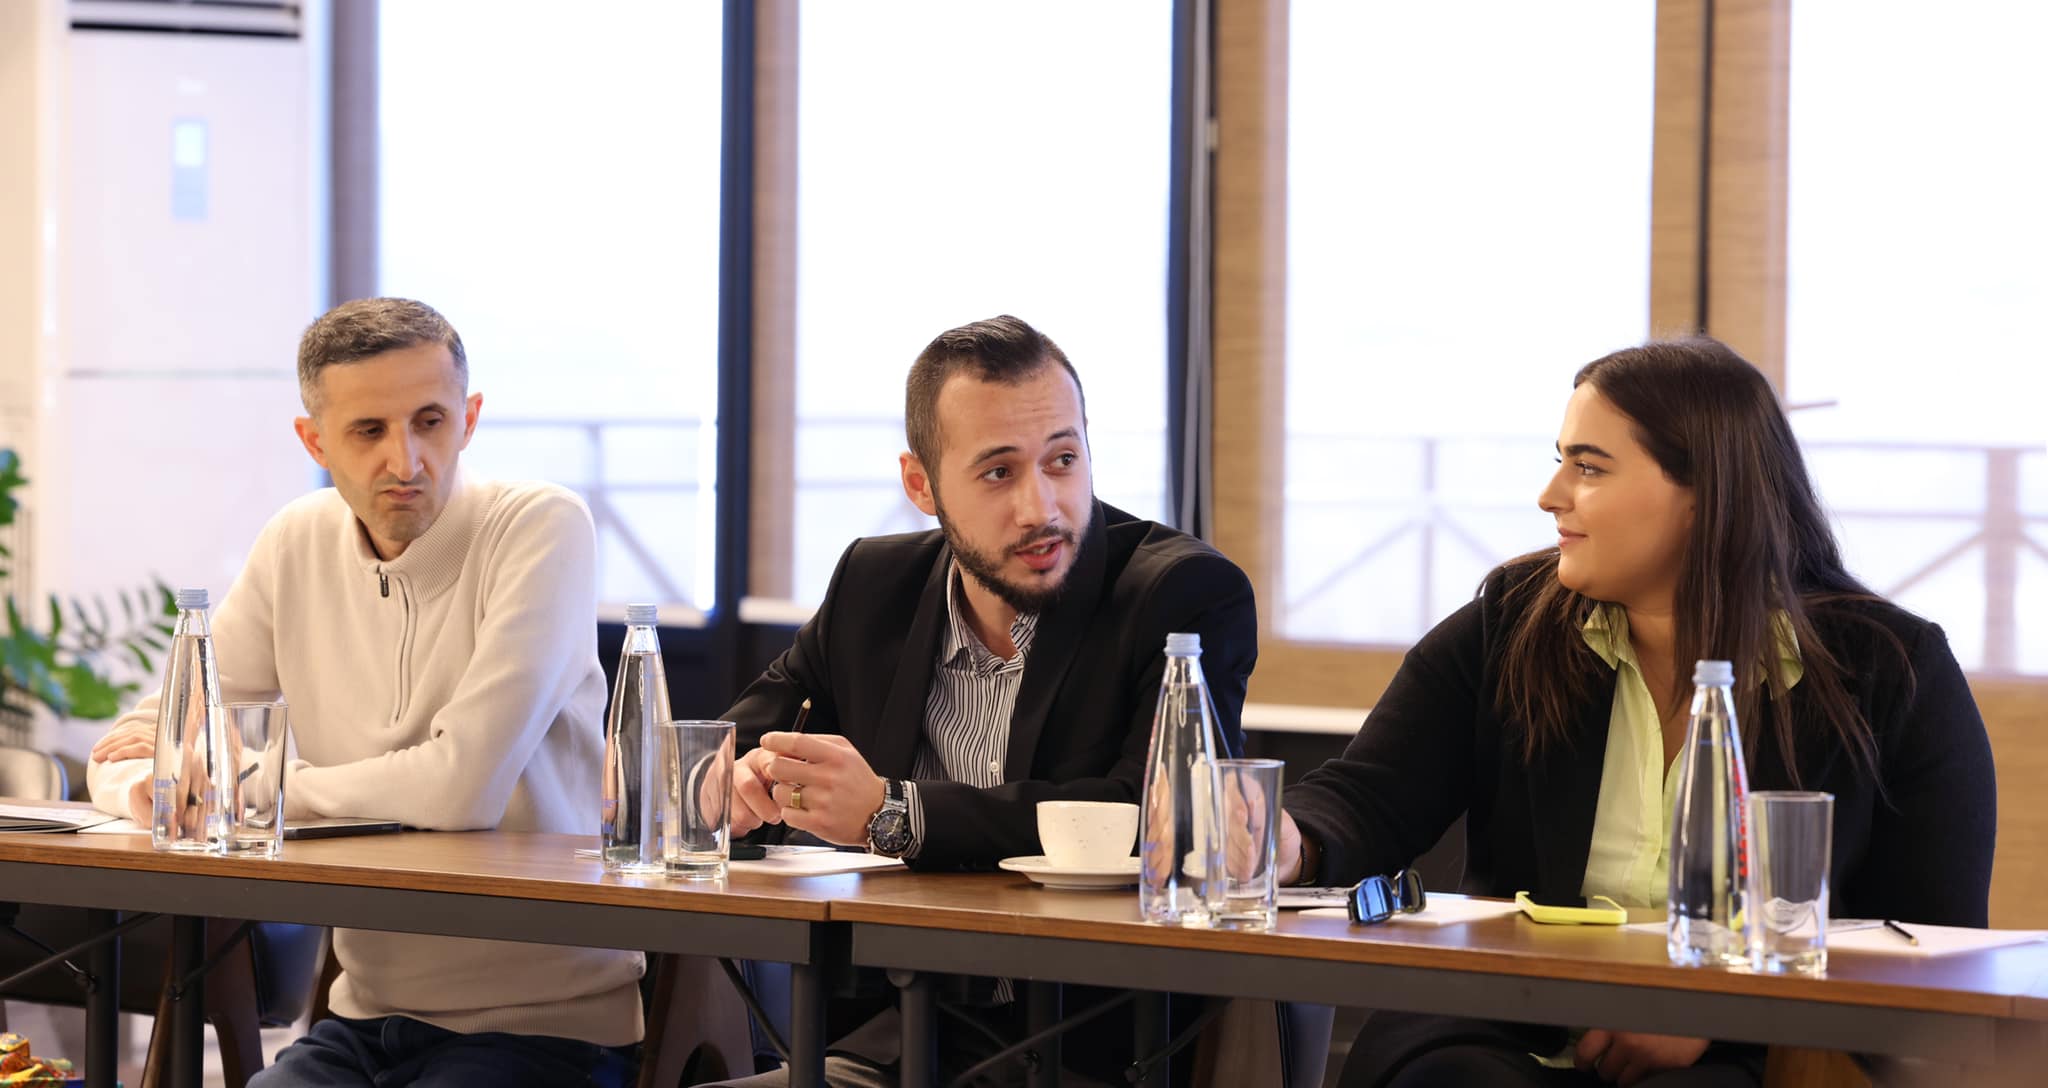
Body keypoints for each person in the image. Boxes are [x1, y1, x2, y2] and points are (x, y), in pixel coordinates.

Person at [1275, 337, 1996, 1087]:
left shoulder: (1890, 669)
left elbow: (1935, 945)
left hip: (1756, 1042)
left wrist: (1730, 1006)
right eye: (1561, 461)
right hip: (1507, 1022)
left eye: (1588, 467)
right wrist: (1290, 842)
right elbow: (1369, 798)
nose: (1551, 494)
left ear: (1704, 495)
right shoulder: (1509, 623)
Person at [86, 298, 643, 1087]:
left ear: (469, 419)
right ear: (315, 440)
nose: (405, 461)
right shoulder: (297, 539)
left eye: (429, 422)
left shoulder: (542, 527)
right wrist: (158, 787)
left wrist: (244, 785)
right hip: (363, 1021)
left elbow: (461, 789)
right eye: (369, 431)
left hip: (550, 1028)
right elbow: (142, 737)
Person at [710, 314, 1258, 1086]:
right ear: (920, 484)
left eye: (1063, 460)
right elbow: (729, 746)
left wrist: (892, 813)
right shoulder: (875, 585)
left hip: (1084, 1055)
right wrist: (732, 782)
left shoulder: (1181, 596)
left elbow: (1153, 819)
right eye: (999, 472)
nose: (1042, 507)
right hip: (883, 1043)